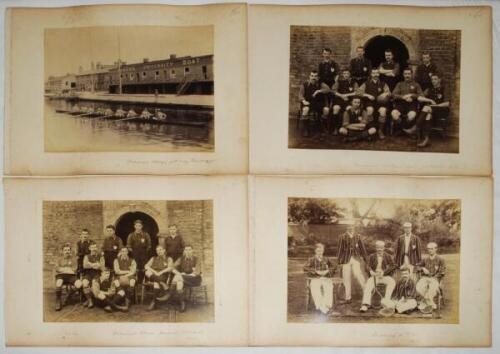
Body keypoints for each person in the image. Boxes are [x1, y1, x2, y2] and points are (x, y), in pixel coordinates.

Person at [360, 241, 396, 312]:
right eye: (378, 247)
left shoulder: (388, 256)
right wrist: (370, 271)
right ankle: (365, 304)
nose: (379, 249)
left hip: (384, 276)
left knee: (392, 282)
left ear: (384, 248)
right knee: (368, 284)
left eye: (381, 248)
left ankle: (386, 301)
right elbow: (367, 266)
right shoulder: (371, 256)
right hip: (375, 276)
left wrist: (384, 272)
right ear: (376, 248)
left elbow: (393, 265)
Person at [337, 220, 368, 304]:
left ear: (354, 227)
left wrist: (366, 259)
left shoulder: (358, 236)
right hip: (346, 259)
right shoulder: (342, 237)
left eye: (352, 226)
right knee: (346, 278)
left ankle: (366, 293)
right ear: (346, 228)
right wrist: (339, 262)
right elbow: (340, 250)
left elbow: (362, 249)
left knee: (358, 274)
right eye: (348, 227)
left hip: (355, 258)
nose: (350, 228)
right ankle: (348, 298)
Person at [416, 74, 450, 147]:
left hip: (442, 111)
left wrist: (435, 106)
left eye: (435, 79)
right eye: (432, 79)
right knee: (428, 115)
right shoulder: (429, 89)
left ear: (439, 80)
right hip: (431, 110)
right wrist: (430, 100)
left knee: (427, 108)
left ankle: (416, 127)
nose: (433, 81)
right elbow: (419, 98)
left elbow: (447, 103)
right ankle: (426, 139)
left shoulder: (444, 88)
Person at [357, 69, 391, 139]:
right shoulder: (366, 83)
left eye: (377, 73)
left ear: (379, 74)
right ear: (371, 74)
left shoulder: (383, 83)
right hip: (370, 102)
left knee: (383, 111)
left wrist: (385, 94)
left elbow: (389, 93)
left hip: (380, 103)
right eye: (373, 73)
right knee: (369, 110)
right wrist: (367, 95)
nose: (375, 75)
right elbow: (358, 92)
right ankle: (372, 128)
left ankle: (380, 130)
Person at [303, 243, 335, 314]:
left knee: (329, 287)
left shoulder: (326, 259)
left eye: (321, 251)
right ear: (315, 251)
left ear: (323, 251)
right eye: (318, 251)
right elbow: (305, 268)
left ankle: (327, 305)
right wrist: (315, 271)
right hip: (316, 278)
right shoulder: (311, 259)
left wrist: (327, 271)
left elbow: (334, 267)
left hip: (325, 277)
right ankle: (321, 306)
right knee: (315, 288)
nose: (320, 252)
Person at [391, 69, 423, 134]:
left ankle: (403, 129)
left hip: (412, 105)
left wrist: (412, 95)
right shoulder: (399, 84)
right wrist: (403, 97)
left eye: (409, 74)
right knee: (394, 114)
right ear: (403, 75)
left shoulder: (416, 84)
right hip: (400, 104)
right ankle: (403, 128)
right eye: (405, 74)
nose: (407, 75)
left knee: (411, 116)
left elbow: (421, 95)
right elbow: (393, 94)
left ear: (412, 75)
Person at [172, 245, 203, 312]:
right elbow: (172, 267)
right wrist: (178, 273)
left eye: (189, 250)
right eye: (186, 250)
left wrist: (184, 275)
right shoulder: (181, 258)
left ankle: (169, 292)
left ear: (192, 251)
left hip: (195, 279)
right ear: (184, 251)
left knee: (178, 277)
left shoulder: (197, 259)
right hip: (183, 279)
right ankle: (182, 303)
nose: (188, 251)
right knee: (179, 282)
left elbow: (196, 273)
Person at [298, 70, 329, 137]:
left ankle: (322, 128)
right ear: (309, 76)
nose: (313, 78)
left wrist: (318, 91)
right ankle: (306, 129)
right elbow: (300, 95)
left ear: (317, 77)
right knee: (305, 110)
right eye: (312, 76)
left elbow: (328, 89)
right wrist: (303, 101)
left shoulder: (321, 84)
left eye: (315, 76)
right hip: (308, 102)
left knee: (326, 110)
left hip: (318, 103)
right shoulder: (304, 85)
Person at [416, 242, 446, 311]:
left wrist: (433, 278)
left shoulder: (441, 259)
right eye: (428, 249)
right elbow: (417, 267)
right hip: (425, 278)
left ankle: (425, 302)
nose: (430, 250)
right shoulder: (425, 259)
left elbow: (442, 272)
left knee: (432, 287)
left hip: (435, 279)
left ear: (436, 249)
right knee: (419, 287)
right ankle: (431, 303)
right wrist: (422, 268)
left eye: (432, 249)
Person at [144, 245, 175, 310]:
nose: (159, 251)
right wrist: (155, 272)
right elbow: (146, 266)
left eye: (160, 250)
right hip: (155, 275)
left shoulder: (169, 258)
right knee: (147, 272)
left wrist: (161, 272)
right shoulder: (153, 258)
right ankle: (163, 285)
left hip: (163, 276)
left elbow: (170, 268)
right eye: (157, 250)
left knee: (156, 283)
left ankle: (153, 303)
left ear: (164, 250)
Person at [54, 243, 82, 311]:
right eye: (65, 250)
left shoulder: (73, 259)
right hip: (61, 276)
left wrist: (63, 268)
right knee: (58, 283)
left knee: (79, 284)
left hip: (71, 276)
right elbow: (57, 268)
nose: (67, 251)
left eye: (68, 250)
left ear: (70, 251)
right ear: (62, 251)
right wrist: (67, 269)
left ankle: (69, 294)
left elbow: (74, 269)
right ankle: (58, 300)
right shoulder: (59, 259)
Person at [331, 69, 359, 134]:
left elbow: (356, 92)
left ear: (350, 75)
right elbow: (333, 91)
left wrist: (346, 95)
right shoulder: (338, 82)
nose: (346, 75)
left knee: (349, 109)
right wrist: (341, 96)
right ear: (343, 75)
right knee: (336, 108)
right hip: (339, 100)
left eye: (347, 73)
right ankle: (336, 128)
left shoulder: (354, 82)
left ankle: (349, 128)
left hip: (349, 100)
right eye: (344, 73)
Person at [127, 219, 152, 283]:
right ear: (134, 226)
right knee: (136, 268)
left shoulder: (146, 235)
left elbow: (149, 245)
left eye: (139, 226)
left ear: (142, 226)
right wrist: (133, 252)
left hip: (144, 254)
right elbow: (128, 245)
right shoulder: (131, 235)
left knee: (145, 268)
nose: (138, 227)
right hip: (134, 254)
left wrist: (145, 252)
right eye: (137, 226)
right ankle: (136, 282)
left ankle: (146, 283)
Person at [81, 241, 104, 308]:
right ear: (89, 248)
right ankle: (90, 300)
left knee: (94, 283)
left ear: (97, 248)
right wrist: (95, 264)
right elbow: (85, 265)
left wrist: (90, 264)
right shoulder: (86, 256)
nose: (94, 249)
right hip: (88, 274)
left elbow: (102, 266)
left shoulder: (100, 256)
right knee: (85, 283)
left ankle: (92, 300)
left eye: (95, 247)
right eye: (92, 247)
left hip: (97, 274)